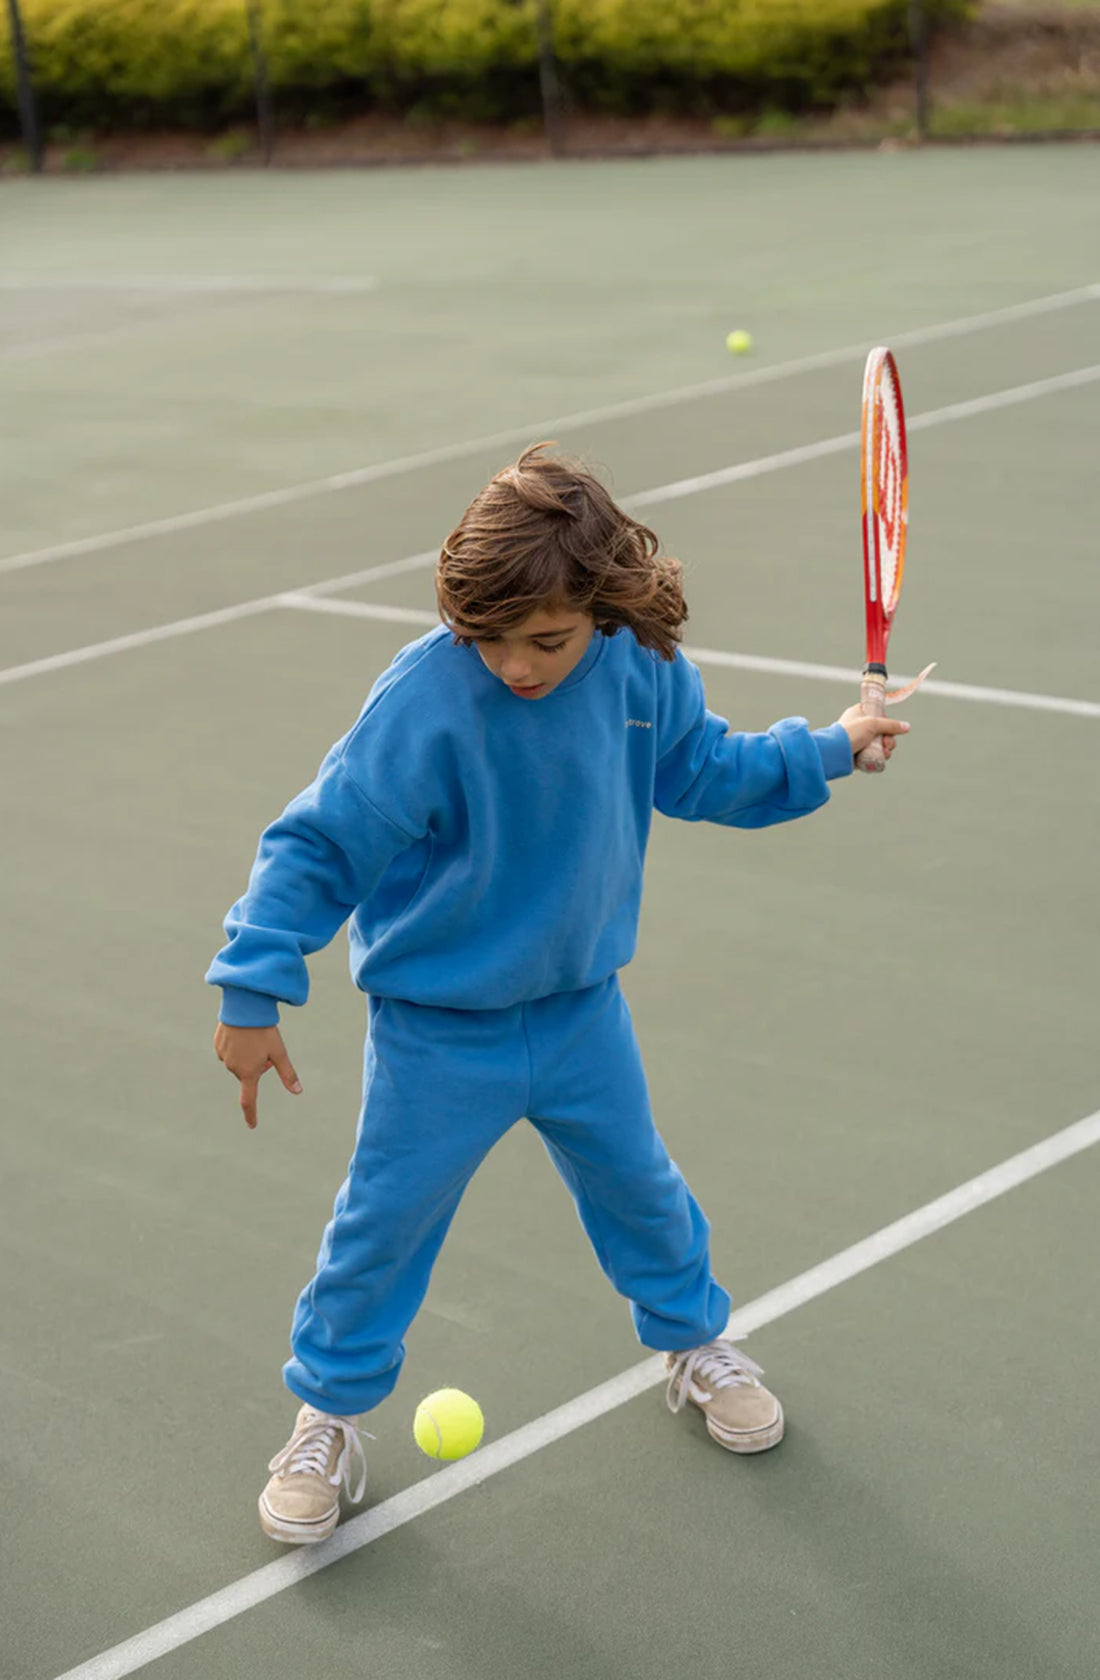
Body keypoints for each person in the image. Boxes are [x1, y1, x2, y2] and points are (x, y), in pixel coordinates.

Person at [207, 443, 908, 1545]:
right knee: (381, 1229)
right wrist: (253, 986)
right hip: (437, 1032)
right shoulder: (425, 699)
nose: (514, 667)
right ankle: (328, 1419)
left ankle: (692, 1347)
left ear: (602, 602)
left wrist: (828, 749)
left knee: (640, 1188)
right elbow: (319, 844)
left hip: (580, 1012)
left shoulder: (638, 668)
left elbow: (702, 770)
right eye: (486, 641)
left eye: (543, 640)